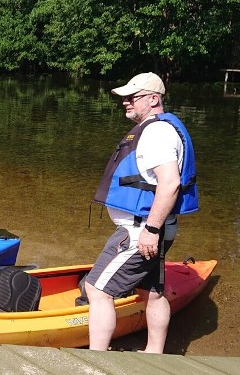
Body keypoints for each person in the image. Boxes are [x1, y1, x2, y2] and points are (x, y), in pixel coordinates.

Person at [85, 72, 199, 353]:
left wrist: (151, 229)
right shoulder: (160, 128)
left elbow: (170, 183)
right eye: (125, 97)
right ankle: (154, 354)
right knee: (153, 291)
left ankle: (95, 359)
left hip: (141, 232)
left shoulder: (157, 133)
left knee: (97, 291)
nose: (125, 102)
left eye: (131, 97)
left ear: (153, 99)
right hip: (155, 229)